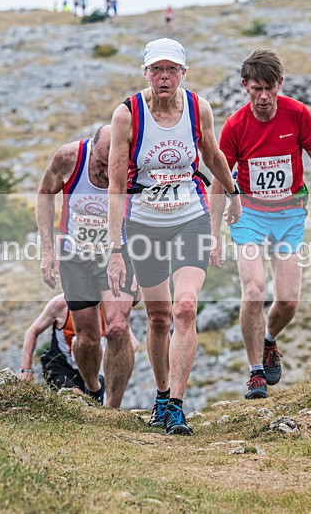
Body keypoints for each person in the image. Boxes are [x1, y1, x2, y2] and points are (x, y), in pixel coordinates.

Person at [107, 38, 241, 435]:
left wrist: (233, 193)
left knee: (184, 307)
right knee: (158, 316)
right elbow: (115, 187)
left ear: (183, 72)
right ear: (145, 73)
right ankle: (162, 395)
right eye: (156, 70)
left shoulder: (199, 108)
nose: (164, 77)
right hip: (144, 224)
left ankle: (177, 407)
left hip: (189, 218)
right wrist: (115, 249)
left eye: (171, 70)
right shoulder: (127, 115)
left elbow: (212, 154)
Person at [209, 49, 311, 400]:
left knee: (288, 301)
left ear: (280, 83)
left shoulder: (297, 114)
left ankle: (268, 341)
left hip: (289, 214)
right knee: (253, 291)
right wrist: (213, 234)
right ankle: (255, 373)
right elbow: (218, 180)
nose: (264, 97)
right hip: (249, 214)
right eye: (256, 89)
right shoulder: (235, 126)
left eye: (269, 88)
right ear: (245, 86)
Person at [37, 125, 137, 409]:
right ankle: (94, 387)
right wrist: (47, 251)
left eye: (113, 165)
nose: (106, 173)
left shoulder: (134, 165)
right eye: (102, 164)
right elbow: (45, 193)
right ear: (92, 150)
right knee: (88, 339)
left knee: (117, 327)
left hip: (118, 253)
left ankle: (112, 409)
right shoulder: (69, 158)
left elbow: (146, 213)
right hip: (75, 257)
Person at [19, 293, 139, 403]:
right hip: (60, 365)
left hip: (91, 369)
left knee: (92, 405)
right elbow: (32, 332)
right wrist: (26, 370)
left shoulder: (111, 310)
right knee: (76, 399)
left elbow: (131, 344)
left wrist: (111, 360)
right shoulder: (60, 304)